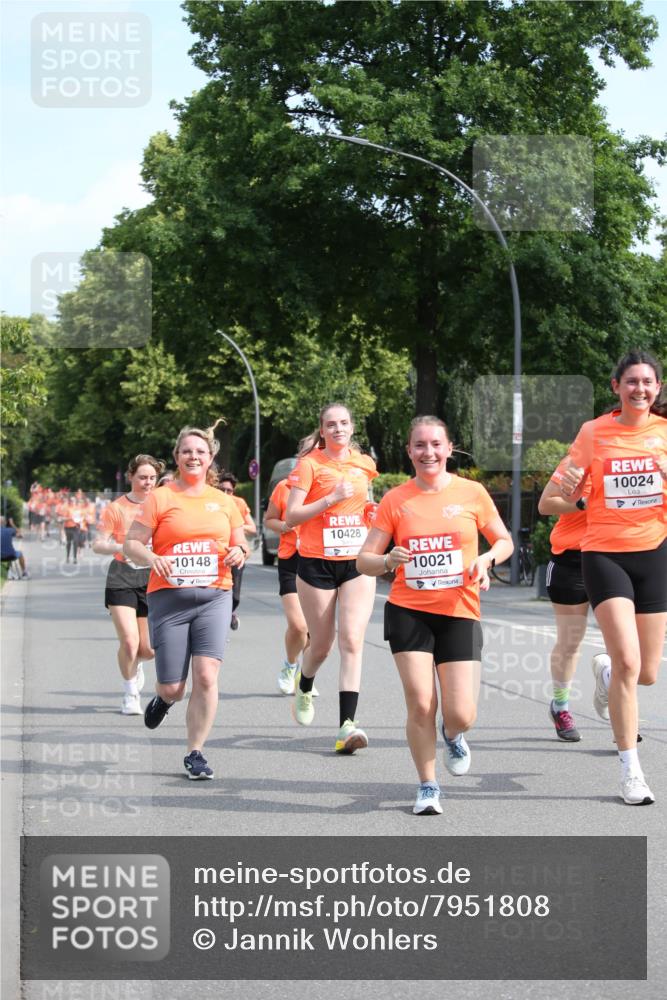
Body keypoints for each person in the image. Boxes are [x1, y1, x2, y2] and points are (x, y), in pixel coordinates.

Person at [357, 416, 513, 816]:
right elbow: (363, 561)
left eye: (435, 444)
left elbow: (504, 541)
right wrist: (387, 559)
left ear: (449, 448)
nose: (428, 452)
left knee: (462, 712)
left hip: (460, 610)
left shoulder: (472, 493)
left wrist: (487, 559)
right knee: (421, 701)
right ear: (409, 451)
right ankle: (427, 785)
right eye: (420, 445)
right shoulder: (396, 500)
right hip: (409, 610)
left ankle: (453, 733)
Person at [557, 349, 667, 805]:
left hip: (654, 554)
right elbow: (551, 499)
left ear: (657, 388)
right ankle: (631, 772)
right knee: (628, 662)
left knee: (646, 673)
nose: (639, 389)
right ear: (615, 387)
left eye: (647, 382)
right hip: (604, 554)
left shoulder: (665, 434)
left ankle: (604, 675)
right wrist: (578, 497)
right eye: (631, 382)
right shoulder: (594, 434)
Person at [124, 423, 248, 779]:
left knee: (207, 676)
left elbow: (241, 544)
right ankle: (163, 699)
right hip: (169, 598)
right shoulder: (161, 498)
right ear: (177, 457)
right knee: (173, 687)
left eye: (201, 452)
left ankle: (196, 752)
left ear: (211, 458)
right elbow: (131, 544)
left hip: (215, 595)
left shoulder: (225, 502)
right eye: (187, 452)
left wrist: (239, 552)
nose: (194, 457)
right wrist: (152, 558)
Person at [286, 402, 378, 753]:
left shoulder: (364, 464)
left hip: (356, 562)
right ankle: (305, 682)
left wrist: (370, 511)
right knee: (321, 646)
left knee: (352, 640)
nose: (338, 429)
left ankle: (346, 726)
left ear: (352, 428)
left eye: (343, 423)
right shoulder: (309, 465)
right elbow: (293, 516)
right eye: (330, 424)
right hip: (316, 565)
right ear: (322, 431)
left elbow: (365, 504)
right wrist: (330, 499)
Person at [92, 455, 164, 715]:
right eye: (142, 477)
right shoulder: (117, 508)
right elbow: (98, 543)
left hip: (152, 577)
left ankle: (136, 664)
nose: (147, 483)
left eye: (152, 478)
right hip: (122, 576)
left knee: (148, 649)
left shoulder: (161, 505)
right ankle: (130, 693)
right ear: (131, 477)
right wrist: (123, 546)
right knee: (130, 642)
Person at [537, 470, 605, 741]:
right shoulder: (578, 462)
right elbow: (544, 505)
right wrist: (580, 504)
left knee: (626, 643)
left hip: (616, 557)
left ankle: (616, 692)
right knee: (570, 641)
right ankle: (561, 706)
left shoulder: (644, 454)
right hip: (572, 560)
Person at [264, 477, 310, 695]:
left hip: (320, 560)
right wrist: (286, 526)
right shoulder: (285, 487)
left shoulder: (333, 486)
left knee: (317, 631)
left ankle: (307, 675)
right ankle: (290, 665)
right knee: (299, 625)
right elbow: (269, 519)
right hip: (291, 559)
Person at [217, 472, 257, 630]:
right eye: (222, 489)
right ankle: (220, 621)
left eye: (229, 490)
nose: (226, 493)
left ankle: (230, 612)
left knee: (235, 595)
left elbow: (252, 528)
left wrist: (234, 526)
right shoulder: (211, 501)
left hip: (237, 553)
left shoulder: (239, 503)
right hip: (218, 554)